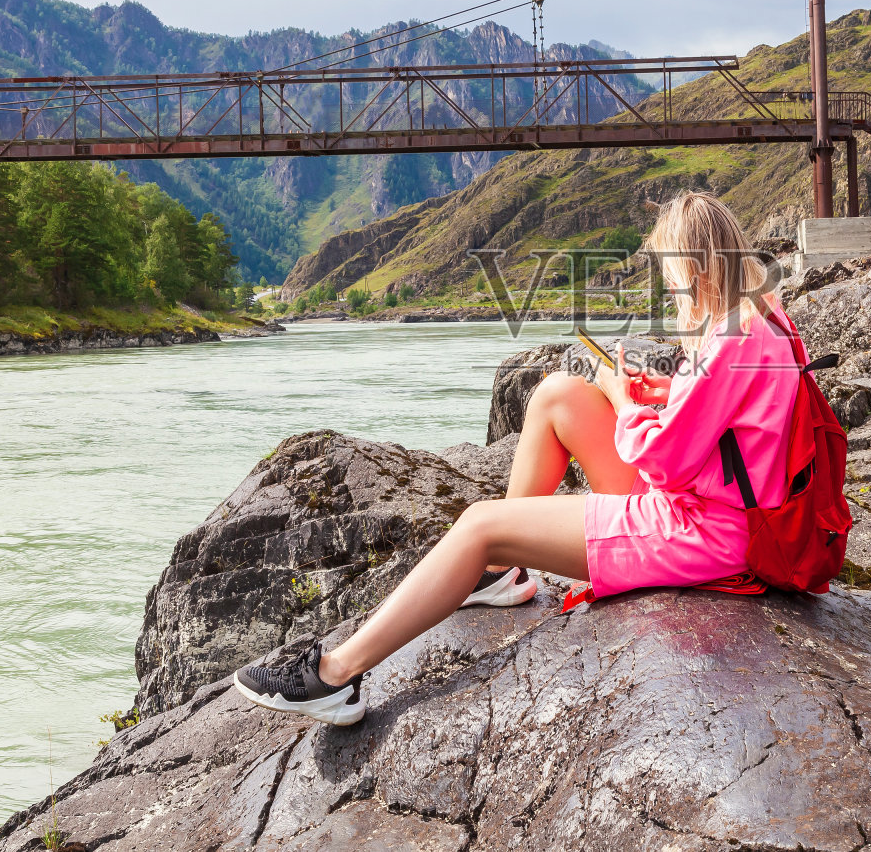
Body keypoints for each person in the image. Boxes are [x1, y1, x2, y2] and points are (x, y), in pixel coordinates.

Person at [233, 191, 799, 725]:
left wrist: (627, 403)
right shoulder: (764, 317)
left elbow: (665, 462)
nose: (669, 292)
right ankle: (502, 573)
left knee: (479, 523)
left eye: (672, 279)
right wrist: (665, 390)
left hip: (704, 531)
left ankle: (335, 677)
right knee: (559, 394)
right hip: (717, 508)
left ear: (695, 269)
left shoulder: (729, 343)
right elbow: (731, 426)